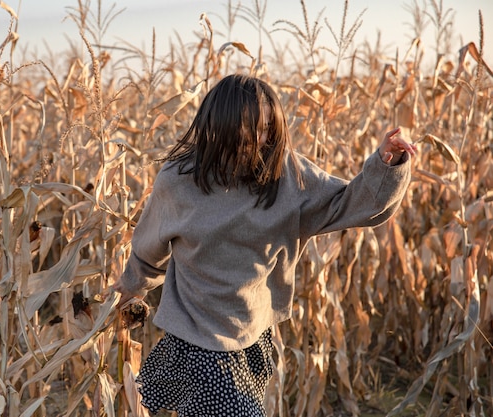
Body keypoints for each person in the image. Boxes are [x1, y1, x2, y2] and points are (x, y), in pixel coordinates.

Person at [111, 74, 416, 417]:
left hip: (253, 333)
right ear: (220, 125)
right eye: (247, 128)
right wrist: (131, 287)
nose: (259, 139)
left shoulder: (289, 175)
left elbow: (353, 203)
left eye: (268, 128)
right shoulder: (179, 179)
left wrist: (385, 164)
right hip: (198, 338)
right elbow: (149, 250)